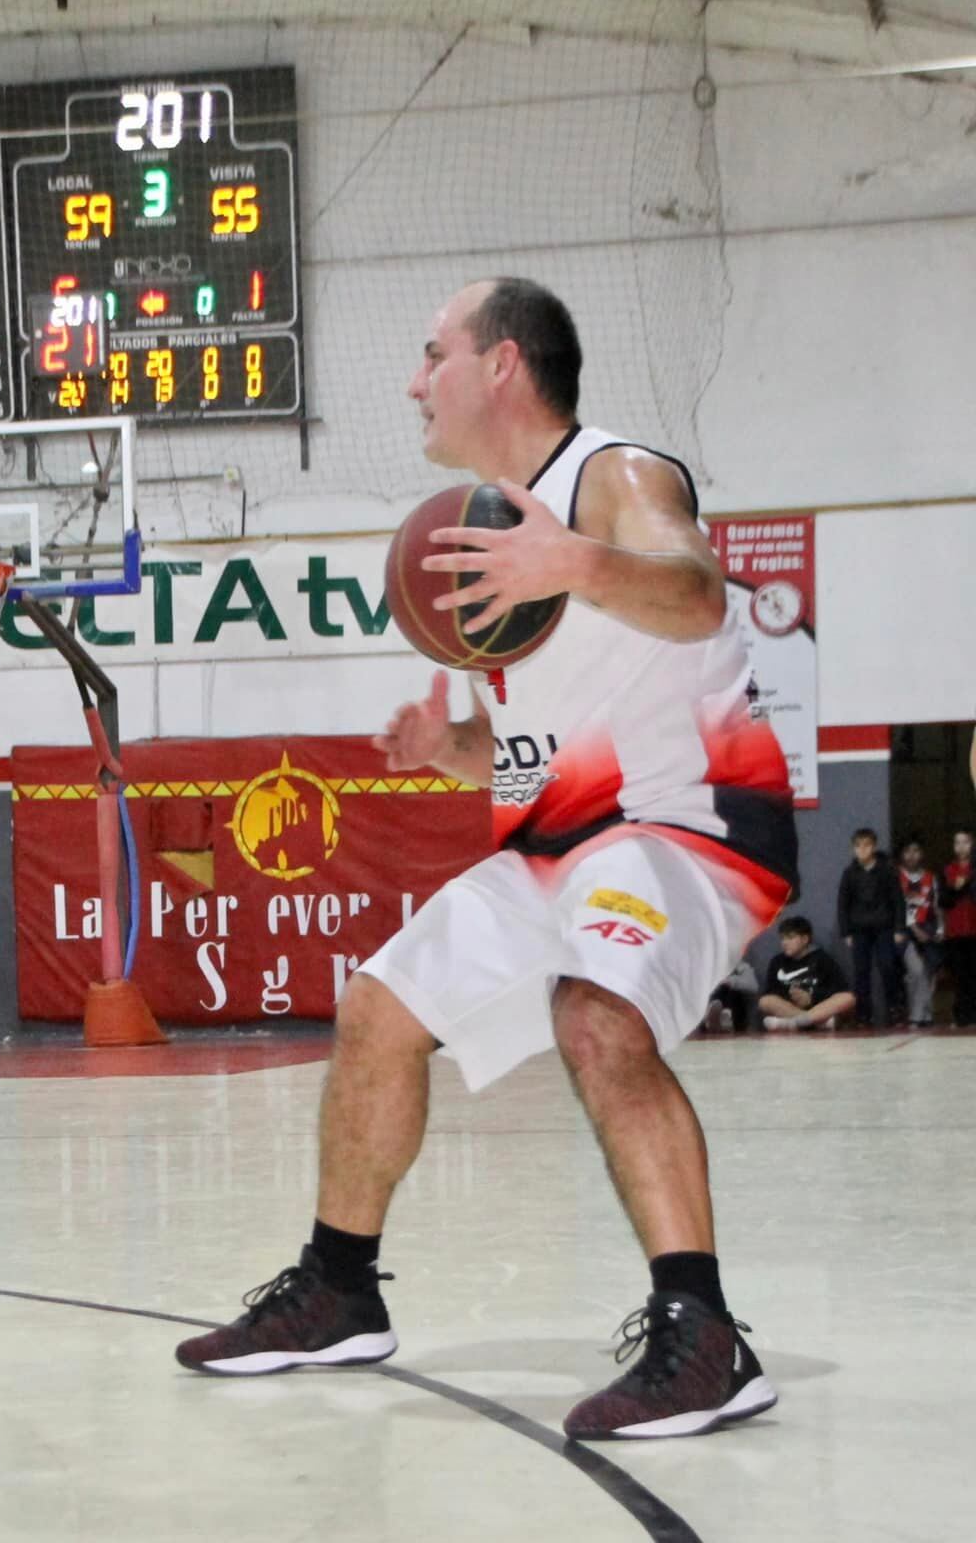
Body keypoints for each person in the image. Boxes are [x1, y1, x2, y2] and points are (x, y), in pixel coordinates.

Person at [173, 279, 797, 1442]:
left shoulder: (613, 475)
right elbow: (532, 756)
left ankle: (705, 1337)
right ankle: (338, 1287)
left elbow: (702, 594)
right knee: (375, 1008)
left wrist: (579, 563)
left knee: (595, 1015)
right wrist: (450, 750)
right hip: (557, 841)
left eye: (430, 354)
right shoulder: (484, 527)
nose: (414, 380)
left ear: (502, 363)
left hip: (684, 823)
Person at [837, 828, 904, 1026]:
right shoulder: (849, 873)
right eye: (858, 846)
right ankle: (863, 1015)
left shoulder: (887, 870)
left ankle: (895, 1010)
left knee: (888, 967)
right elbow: (843, 903)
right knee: (861, 972)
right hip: (859, 930)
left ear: (873, 847)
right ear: (853, 849)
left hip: (884, 927)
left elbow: (897, 900)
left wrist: (899, 928)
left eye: (866, 845)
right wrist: (845, 931)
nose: (862, 850)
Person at [757, 916, 857, 1030]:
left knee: (848, 998)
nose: (785, 943)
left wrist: (811, 997)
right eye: (782, 938)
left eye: (790, 938)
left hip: (818, 1007)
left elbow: (838, 988)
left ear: (805, 939)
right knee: (765, 1001)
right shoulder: (777, 961)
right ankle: (816, 1023)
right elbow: (771, 991)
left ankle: (795, 1023)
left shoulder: (822, 959)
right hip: (790, 1008)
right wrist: (791, 996)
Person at [895, 836, 942, 1028]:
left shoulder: (931, 877)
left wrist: (940, 928)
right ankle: (916, 1016)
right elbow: (897, 906)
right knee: (916, 970)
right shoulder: (896, 877)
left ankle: (926, 1016)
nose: (911, 855)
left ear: (921, 854)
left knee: (929, 972)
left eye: (915, 851)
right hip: (904, 930)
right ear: (902, 855)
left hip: (928, 927)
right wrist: (914, 928)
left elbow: (937, 905)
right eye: (907, 851)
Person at [942, 828, 976, 1027]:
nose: (961, 847)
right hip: (956, 931)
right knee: (960, 975)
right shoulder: (948, 870)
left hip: (974, 928)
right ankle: (962, 1014)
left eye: (965, 842)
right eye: (957, 843)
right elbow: (944, 901)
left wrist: (967, 884)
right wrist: (957, 888)